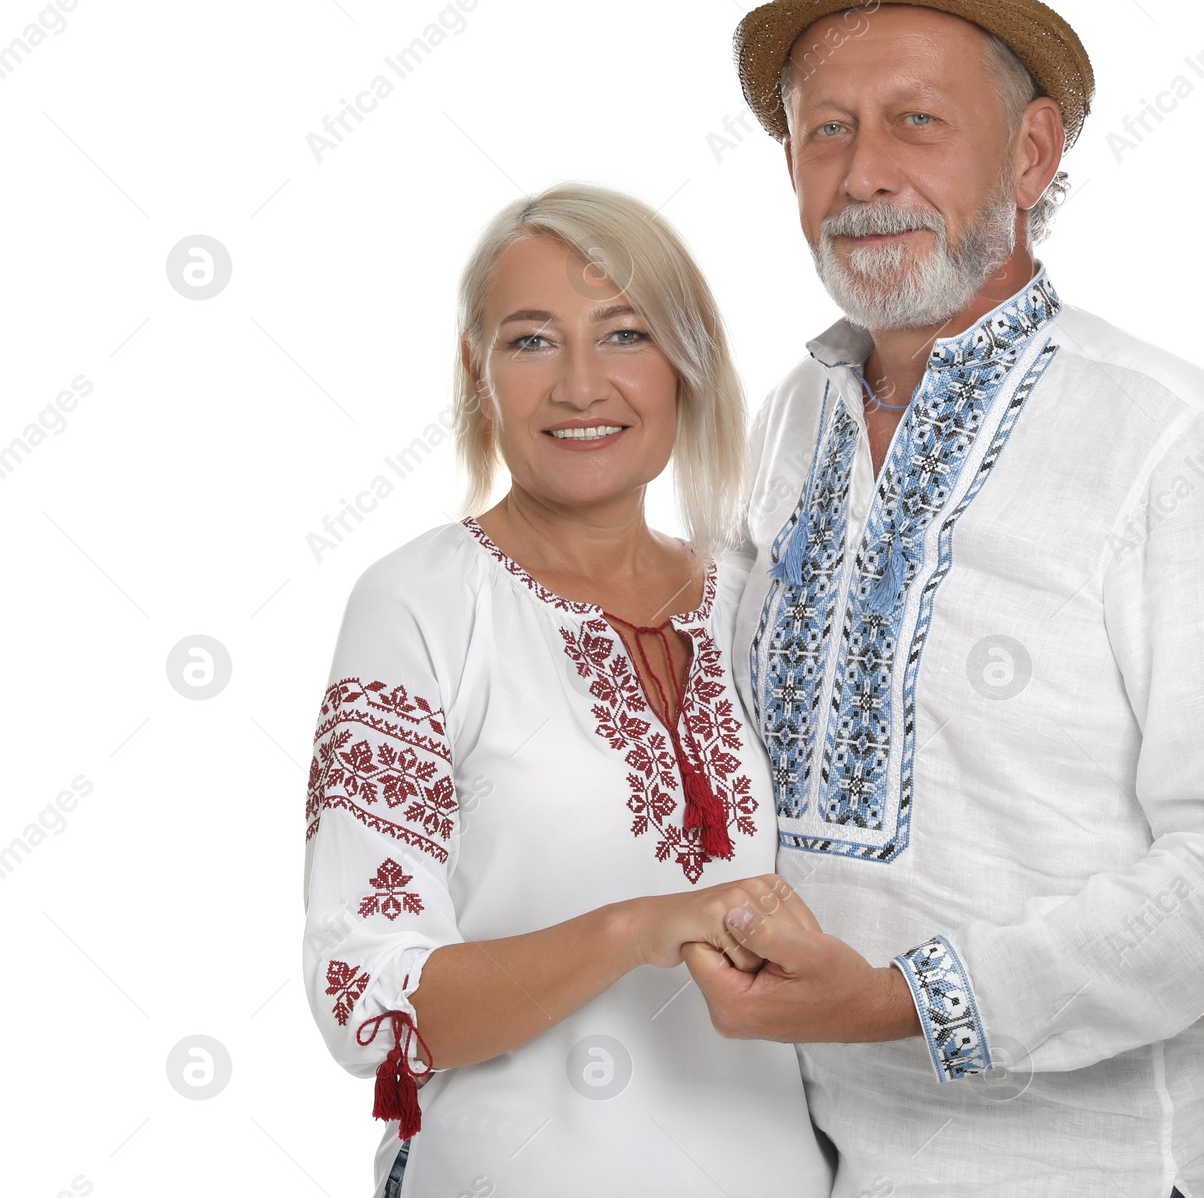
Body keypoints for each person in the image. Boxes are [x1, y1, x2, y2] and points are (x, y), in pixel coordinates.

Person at [684, 0, 1204, 1198]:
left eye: (917, 120)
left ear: (1033, 153)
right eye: (826, 130)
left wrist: (892, 1000)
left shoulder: (1168, 440)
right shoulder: (792, 418)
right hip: (795, 1154)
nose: (863, 173)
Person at [301, 184, 833, 1198]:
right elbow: (362, 997)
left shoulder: (756, 601)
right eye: (532, 341)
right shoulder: (418, 606)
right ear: (478, 372)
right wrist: (634, 928)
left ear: (686, 362)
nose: (581, 385)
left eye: (624, 333)